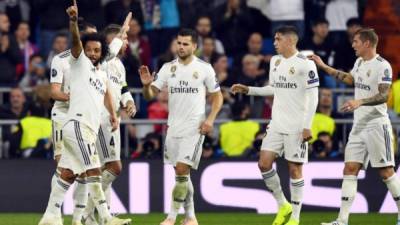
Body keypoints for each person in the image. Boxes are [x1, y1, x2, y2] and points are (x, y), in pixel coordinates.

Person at [38, 1, 131, 225]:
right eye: (88, 47)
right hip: (75, 123)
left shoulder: (99, 72)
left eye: (96, 49)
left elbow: (112, 55)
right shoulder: (77, 62)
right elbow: (77, 45)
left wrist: (112, 113)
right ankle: (103, 217)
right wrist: (72, 22)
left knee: (68, 173)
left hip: (88, 126)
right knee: (93, 169)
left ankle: (50, 216)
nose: (91, 52)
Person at [310, 28, 400, 225]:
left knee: (386, 172)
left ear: (367, 43)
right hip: (358, 125)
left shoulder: (382, 66)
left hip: (377, 125)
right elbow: (351, 79)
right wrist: (323, 66)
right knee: (350, 168)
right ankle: (342, 220)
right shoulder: (359, 62)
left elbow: (385, 95)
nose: (353, 45)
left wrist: (360, 102)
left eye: (356, 41)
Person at [231, 26, 319, 225]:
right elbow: (274, 88)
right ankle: (283, 205)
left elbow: (314, 97)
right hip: (277, 123)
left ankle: (295, 218)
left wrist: (307, 125)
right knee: (263, 163)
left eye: (278, 39)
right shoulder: (275, 61)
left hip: (297, 126)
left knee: (295, 170)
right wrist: (249, 90)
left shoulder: (306, 65)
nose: (274, 43)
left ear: (290, 41)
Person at [139, 28, 223, 225]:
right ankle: (191, 217)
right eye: (179, 43)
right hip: (173, 127)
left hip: (195, 127)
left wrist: (210, 119)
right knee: (181, 173)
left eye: (186, 44)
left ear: (195, 46)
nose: (182, 47)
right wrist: (145, 86)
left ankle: (171, 217)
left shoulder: (204, 68)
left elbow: (217, 96)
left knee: (182, 170)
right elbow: (150, 95)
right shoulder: (168, 68)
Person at [83, 23, 137, 225]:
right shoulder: (101, 61)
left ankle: (100, 215)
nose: (127, 43)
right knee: (114, 167)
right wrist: (122, 31)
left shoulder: (119, 66)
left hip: (113, 120)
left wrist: (129, 102)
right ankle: (90, 214)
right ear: (111, 43)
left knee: (105, 167)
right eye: (124, 40)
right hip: (100, 119)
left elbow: (122, 89)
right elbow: (110, 51)